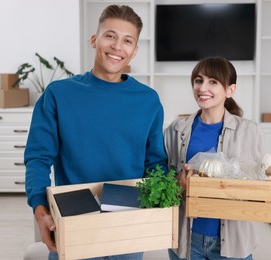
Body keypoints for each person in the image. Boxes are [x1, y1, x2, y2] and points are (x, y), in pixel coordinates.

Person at [24, 5, 167, 260]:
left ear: (134, 52)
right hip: (73, 224)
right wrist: (41, 211)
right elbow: (38, 157)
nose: (117, 46)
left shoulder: (148, 101)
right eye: (110, 36)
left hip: (127, 230)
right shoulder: (58, 94)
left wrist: (159, 209)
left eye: (127, 41)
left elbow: (155, 163)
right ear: (94, 40)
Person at [164, 56, 271, 260]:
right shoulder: (176, 130)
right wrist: (180, 182)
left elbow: (259, 177)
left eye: (213, 82)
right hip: (186, 238)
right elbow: (161, 179)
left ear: (230, 90)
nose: (203, 87)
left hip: (234, 240)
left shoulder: (249, 130)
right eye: (198, 80)